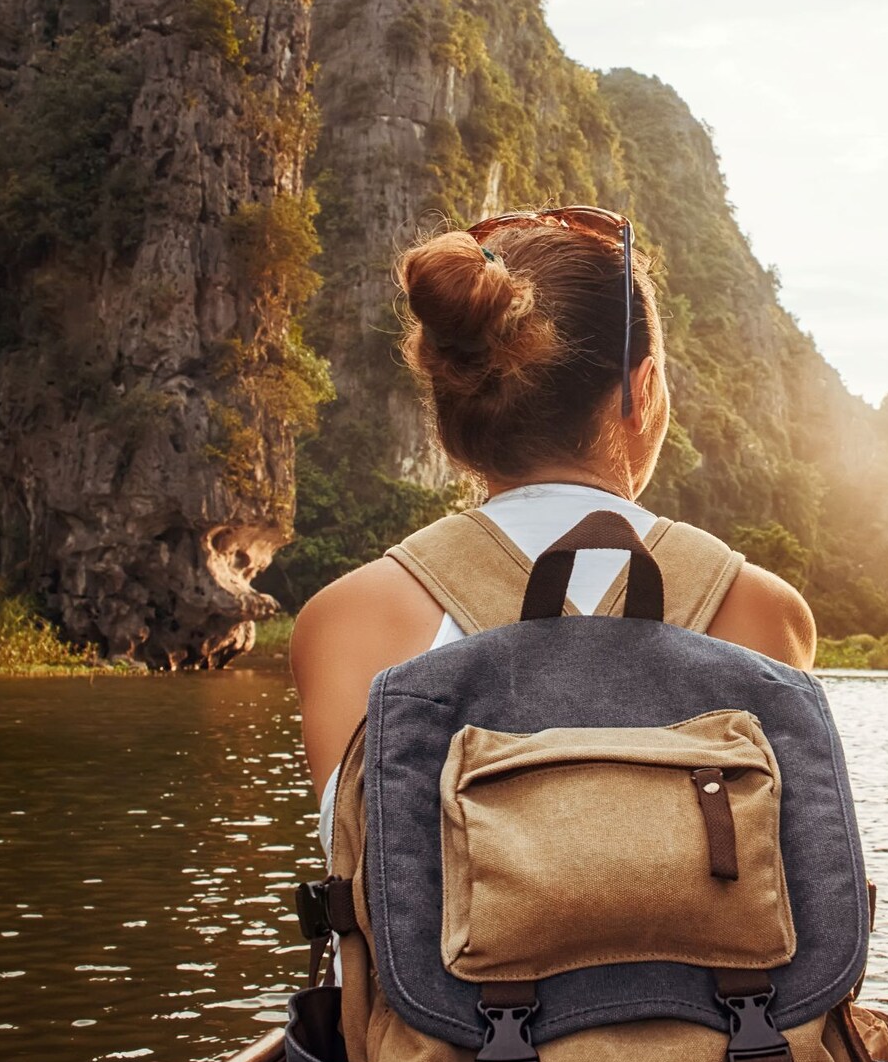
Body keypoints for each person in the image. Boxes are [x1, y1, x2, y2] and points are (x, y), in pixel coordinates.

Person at [289, 208, 816, 798]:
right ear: (642, 392)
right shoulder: (761, 612)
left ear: (448, 404)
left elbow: (359, 851)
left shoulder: (346, 621)